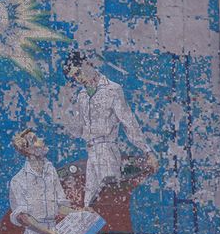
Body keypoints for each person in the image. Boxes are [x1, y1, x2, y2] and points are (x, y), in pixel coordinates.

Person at [62, 52, 157, 205]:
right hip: (91, 152)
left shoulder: (112, 90)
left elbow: (129, 122)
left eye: (78, 73)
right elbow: (78, 130)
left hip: (107, 152)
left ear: (87, 64)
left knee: (106, 202)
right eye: (74, 77)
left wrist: (147, 151)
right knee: (88, 204)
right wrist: (66, 112)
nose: (78, 79)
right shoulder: (82, 96)